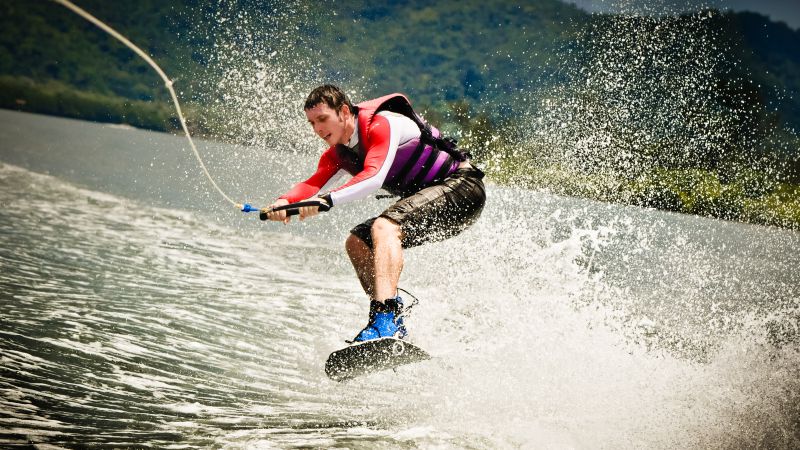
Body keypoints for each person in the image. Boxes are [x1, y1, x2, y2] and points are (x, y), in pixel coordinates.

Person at [265, 85, 485, 343]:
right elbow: (312, 184)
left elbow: (373, 176)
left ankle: (384, 318)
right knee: (357, 242)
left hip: (463, 189)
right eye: (312, 123)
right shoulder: (337, 153)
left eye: (322, 119)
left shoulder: (383, 124)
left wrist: (325, 201)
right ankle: (392, 320)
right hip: (435, 202)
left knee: (384, 227)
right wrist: (282, 202)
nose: (317, 129)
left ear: (344, 111)